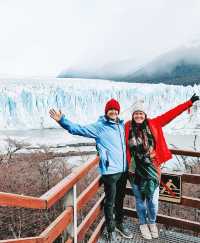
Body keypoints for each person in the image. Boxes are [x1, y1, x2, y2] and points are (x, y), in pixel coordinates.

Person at [49, 99, 132, 241]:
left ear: (118, 111)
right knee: (110, 202)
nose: (113, 112)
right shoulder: (100, 127)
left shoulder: (121, 125)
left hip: (123, 170)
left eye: (115, 110)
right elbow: (78, 129)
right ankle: (111, 230)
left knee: (120, 199)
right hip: (110, 171)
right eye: (110, 110)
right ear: (106, 112)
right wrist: (63, 120)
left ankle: (119, 223)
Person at [125, 94, 199, 240]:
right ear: (133, 115)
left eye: (141, 113)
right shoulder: (127, 127)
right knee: (140, 201)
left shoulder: (154, 123)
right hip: (134, 171)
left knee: (152, 201)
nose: (138, 116)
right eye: (136, 113)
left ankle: (152, 223)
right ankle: (142, 224)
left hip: (153, 169)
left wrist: (188, 103)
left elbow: (171, 114)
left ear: (145, 114)